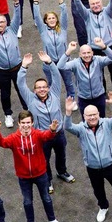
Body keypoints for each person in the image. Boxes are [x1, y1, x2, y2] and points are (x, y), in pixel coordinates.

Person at [64, 92, 112, 222]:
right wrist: (68, 113)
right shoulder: (81, 129)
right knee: (98, 190)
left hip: (110, 164)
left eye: (94, 114)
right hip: (92, 167)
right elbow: (68, 126)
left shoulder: (107, 124)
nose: (92, 117)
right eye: (89, 115)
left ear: (98, 114)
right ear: (84, 116)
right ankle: (103, 207)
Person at [0, 110, 62, 222]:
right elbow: (0, 142)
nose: (26, 125)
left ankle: (53, 220)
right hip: (23, 177)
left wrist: (52, 130)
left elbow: (47, 136)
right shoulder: (13, 138)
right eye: (23, 123)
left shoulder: (37, 134)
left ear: (32, 123)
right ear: (18, 123)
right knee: (27, 201)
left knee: (46, 198)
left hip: (41, 174)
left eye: (28, 122)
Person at [17, 53, 76, 188]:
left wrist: (50, 62)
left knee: (61, 154)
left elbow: (56, 76)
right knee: (44, 159)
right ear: (34, 90)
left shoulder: (54, 93)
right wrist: (24, 66)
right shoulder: (30, 99)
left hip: (59, 133)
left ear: (48, 88)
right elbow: (20, 83)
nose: (42, 89)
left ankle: (62, 172)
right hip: (43, 137)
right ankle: (48, 179)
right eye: (39, 87)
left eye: (44, 86)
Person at [59, 41, 112, 115]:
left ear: (92, 53)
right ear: (80, 54)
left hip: (99, 97)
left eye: (88, 52)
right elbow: (60, 66)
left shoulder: (98, 60)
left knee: (101, 119)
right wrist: (69, 50)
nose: (86, 55)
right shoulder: (75, 63)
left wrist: (104, 46)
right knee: (86, 123)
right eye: (84, 53)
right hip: (84, 99)